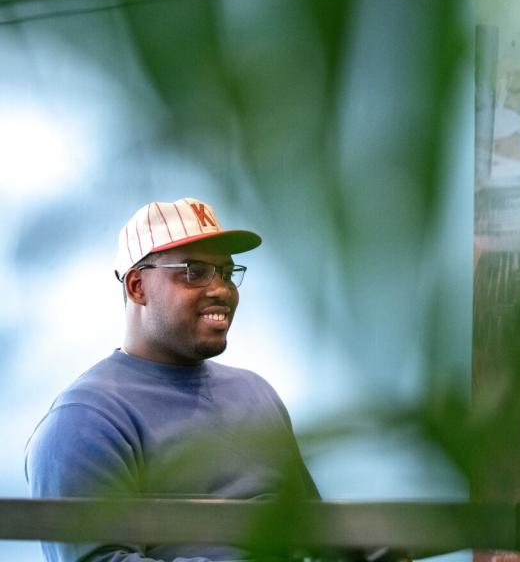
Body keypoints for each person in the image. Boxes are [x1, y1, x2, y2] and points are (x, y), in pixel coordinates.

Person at [25, 198, 320, 562]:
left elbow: (315, 530)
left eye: (226, 273)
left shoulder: (256, 392)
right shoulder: (86, 418)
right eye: (194, 271)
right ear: (137, 286)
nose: (221, 290)